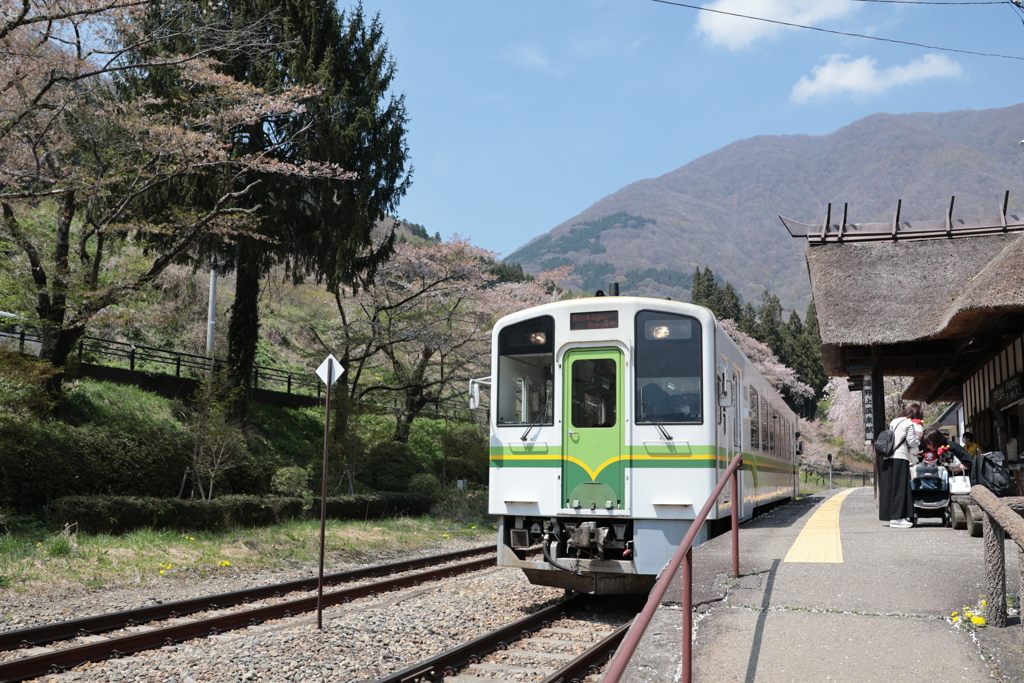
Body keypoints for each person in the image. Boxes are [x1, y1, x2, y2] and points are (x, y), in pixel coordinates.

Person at [879, 404, 923, 528]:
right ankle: (897, 518)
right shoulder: (908, 424)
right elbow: (911, 443)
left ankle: (892, 516)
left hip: (888, 458)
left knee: (890, 488)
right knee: (900, 488)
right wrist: (918, 439)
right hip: (900, 457)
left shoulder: (895, 421)